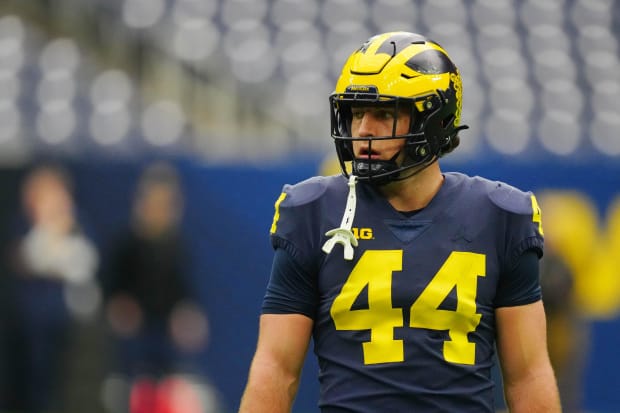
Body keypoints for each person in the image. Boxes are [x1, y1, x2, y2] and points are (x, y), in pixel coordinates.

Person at [238, 32, 561, 412]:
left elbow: (528, 375)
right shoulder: (313, 213)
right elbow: (276, 369)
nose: (363, 131)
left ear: (434, 119)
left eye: (384, 114)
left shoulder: (499, 217)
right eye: (357, 113)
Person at [1, 162, 100, 412]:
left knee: (65, 377)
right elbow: (31, 259)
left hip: (66, 315)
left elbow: (83, 264)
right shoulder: (22, 224)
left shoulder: (76, 223)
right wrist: (51, 238)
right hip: (30, 316)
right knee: (34, 376)